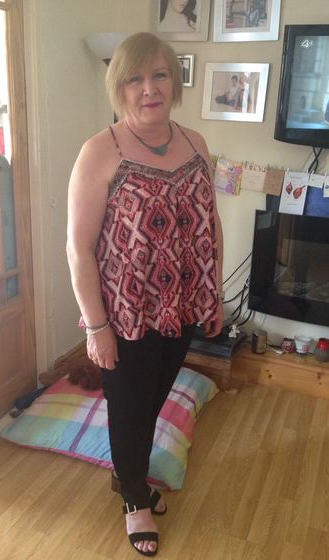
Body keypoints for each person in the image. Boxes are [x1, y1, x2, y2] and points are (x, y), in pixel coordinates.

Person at [67, 32, 224, 557]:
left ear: (174, 81)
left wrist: (213, 293)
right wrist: (96, 327)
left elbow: (210, 225)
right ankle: (134, 495)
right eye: (134, 78)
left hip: (182, 305)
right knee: (129, 407)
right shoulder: (100, 151)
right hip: (126, 313)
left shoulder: (196, 143)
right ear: (119, 88)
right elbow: (78, 249)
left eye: (159, 75)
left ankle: (126, 471)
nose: (149, 88)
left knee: (151, 400)